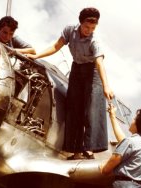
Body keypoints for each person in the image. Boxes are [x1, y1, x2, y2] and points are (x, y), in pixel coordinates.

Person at [27, 7, 114, 160]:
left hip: (93, 71)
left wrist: (106, 86)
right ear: (80, 23)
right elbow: (55, 46)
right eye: (87, 27)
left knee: (91, 108)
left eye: (93, 28)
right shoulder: (69, 31)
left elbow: (99, 63)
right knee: (75, 108)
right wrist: (37, 56)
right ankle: (76, 151)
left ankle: (90, 150)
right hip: (77, 68)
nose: (89, 30)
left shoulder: (95, 40)